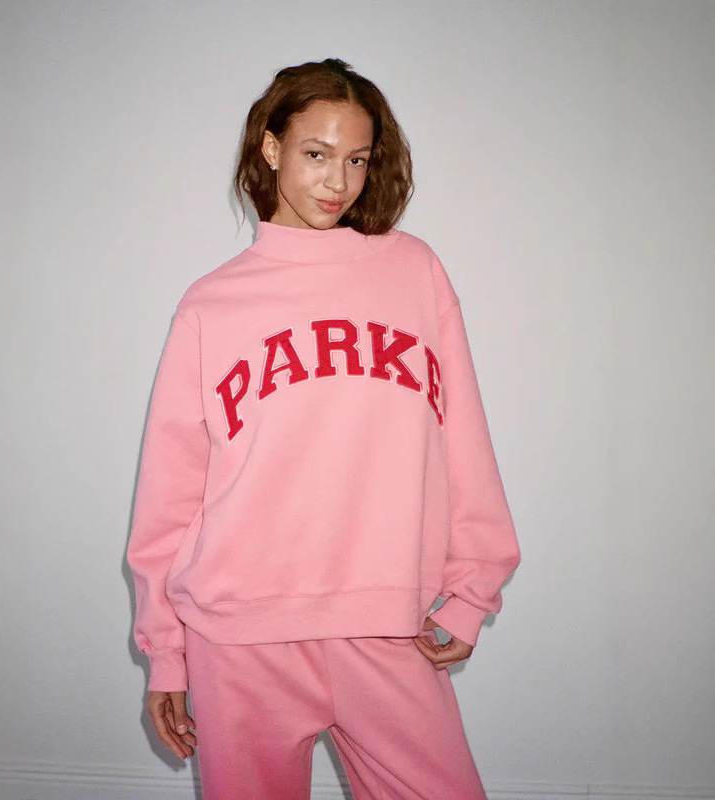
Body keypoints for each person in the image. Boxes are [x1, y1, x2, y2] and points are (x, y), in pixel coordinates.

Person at [126, 57, 520, 800]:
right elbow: (169, 496)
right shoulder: (211, 304)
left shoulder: (413, 271)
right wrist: (165, 653)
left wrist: (473, 589)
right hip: (238, 635)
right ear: (271, 147)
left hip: (384, 622)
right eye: (316, 153)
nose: (338, 181)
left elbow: (463, 440)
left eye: (357, 160)